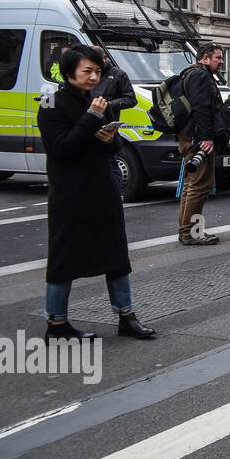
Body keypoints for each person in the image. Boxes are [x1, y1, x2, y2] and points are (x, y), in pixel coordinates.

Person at [38, 44, 155, 341]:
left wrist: (109, 137)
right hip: (71, 193)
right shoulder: (51, 102)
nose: (93, 77)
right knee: (64, 257)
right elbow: (61, 148)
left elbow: (111, 148)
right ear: (68, 73)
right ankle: (57, 323)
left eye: (97, 71)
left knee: (116, 255)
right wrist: (92, 118)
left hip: (103, 188)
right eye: (86, 71)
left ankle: (126, 316)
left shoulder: (97, 101)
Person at [177, 43, 227, 246]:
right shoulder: (199, 76)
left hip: (190, 135)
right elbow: (200, 108)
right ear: (205, 58)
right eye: (218, 58)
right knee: (200, 186)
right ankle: (192, 233)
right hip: (197, 138)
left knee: (191, 186)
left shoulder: (192, 74)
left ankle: (186, 230)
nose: (221, 62)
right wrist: (206, 137)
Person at [92, 46, 136, 197]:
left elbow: (131, 99)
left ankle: (114, 199)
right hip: (89, 128)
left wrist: (108, 105)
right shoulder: (89, 76)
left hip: (107, 129)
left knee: (111, 165)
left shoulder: (118, 74)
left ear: (105, 58)